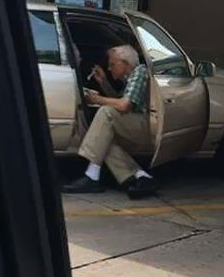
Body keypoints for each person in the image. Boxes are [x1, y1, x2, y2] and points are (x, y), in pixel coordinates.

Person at [62, 45, 157, 198]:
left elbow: (124, 106)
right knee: (103, 139)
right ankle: (141, 176)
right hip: (134, 125)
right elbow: (120, 101)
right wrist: (104, 82)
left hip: (146, 126)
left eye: (112, 64)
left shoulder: (140, 72)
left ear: (125, 63)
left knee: (106, 112)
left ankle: (91, 175)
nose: (109, 68)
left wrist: (98, 99)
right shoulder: (130, 78)